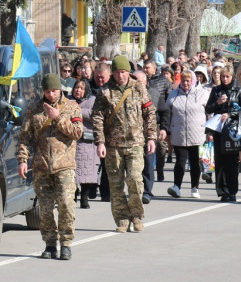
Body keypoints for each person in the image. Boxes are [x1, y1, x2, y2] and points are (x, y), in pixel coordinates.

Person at [16, 73, 83, 260]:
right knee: (45, 209)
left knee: (66, 204)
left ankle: (66, 243)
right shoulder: (34, 109)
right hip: (41, 166)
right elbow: (25, 138)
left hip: (65, 166)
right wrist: (22, 160)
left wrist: (58, 118)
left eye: (54, 90)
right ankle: (50, 244)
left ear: (59, 89)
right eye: (47, 91)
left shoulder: (71, 107)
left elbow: (77, 133)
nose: (51, 94)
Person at [92, 55, 157, 232]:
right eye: (117, 72)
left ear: (128, 72)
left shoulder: (139, 88)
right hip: (113, 145)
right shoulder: (104, 92)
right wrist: (100, 142)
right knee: (116, 184)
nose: (121, 76)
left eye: (124, 72)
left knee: (135, 180)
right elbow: (97, 118)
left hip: (136, 143)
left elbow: (149, 114)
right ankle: (121, 218)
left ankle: (136, 215)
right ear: (112, 73)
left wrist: (151, 137)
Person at [206, 65, 241, 202]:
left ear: (232, 77)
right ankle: (222, 191)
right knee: (219, 161)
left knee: (231, 161)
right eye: (222, 76)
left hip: (233, 130)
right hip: (219, 129)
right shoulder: (216, 90)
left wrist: (230, 114)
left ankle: (232, 191)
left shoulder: (238, 91)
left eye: (227, 76)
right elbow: (208, 108)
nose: (225, 79)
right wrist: (218, 103)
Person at [164, 71, 209, 199]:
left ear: (193, 81)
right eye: (183, 81)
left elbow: (209, 113)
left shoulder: (203, 94)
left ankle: (195, 187)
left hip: (197, 133)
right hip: (179, 132)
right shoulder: (174, 94)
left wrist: (209, 131)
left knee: (195, 162)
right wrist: (167, 130)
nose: (186, 83)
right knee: (180, 161)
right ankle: (176, 187)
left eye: (188, 80)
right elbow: (167, 113)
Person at [142, 59, 172, 192]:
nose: (145, 70)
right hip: (141, 127)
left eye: (148, 68)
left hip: (156, 122)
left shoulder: (163, 82)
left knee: (159, 147)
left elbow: (167, 102)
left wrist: (165, 127)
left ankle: (159, 169)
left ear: (155, 68)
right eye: (144, 67)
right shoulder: (137, 85)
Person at [71, 79, 100, 209]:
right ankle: (73, 194)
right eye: (76, 87)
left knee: (86, 172)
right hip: (71, 140)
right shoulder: (68, 100)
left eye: (81, 88)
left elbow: (96, 115)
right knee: (71, 170)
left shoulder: (92, 100)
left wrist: (79, 111)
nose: (78, 90)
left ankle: (84, 197)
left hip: (86, 141)